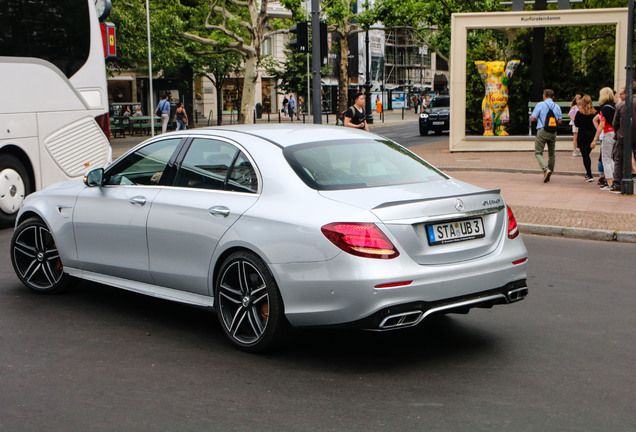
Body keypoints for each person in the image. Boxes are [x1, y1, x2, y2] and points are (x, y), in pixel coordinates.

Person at [530, 89, 562, 182]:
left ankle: (545, 169)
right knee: (552, 153)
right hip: (553, 132)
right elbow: (559, 120)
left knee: (538, 152)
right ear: (553, 97)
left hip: (542, 130)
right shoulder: (557, 106)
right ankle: (550, 172)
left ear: (544, 95)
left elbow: (533, 118)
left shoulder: (540, 105)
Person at [611, 82, 636, 193]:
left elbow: (615, 123)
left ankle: (617, 184)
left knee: (619, 160)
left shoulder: (621, 105)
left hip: (623, 136)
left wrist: (618, 132)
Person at [592, 88, 616, 190]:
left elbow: (601, 124)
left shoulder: (604, 108)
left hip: (608, 133)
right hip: (615, 133)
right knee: (612, 158)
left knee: (605, 159)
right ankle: (615, 180)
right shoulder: (614, 106)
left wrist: (595, 139)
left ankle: (609, 182)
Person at [574, 95, 598, 182]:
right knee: (587, 154)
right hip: (592, 135)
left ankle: (589, 173)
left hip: (582, 135)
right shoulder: (595, 113)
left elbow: (576, 124)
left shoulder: (579, 113)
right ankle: (588, 173)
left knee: (585, 156)